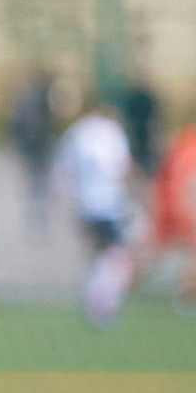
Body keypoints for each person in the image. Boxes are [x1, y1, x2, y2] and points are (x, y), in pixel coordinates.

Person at [54, 98, 136, 328]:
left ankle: (94, 300)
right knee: (114, 254)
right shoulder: (111, 132)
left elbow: (62, 173)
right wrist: (136, 191)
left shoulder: (75, 133)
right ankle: (101, 305)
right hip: (108, 204)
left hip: (83, 204)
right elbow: (122, 167)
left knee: (96, 254)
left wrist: (70, 201)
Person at [139, 122, 196, 315]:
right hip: (181, 204)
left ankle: (117, 286)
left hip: (164, 202)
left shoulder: (178, 140)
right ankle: (189, 300)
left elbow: (164, 172)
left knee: (152, 255)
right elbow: (193, 180)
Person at [7, 70, 59, 234]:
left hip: (35, 150)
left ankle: (37, 221)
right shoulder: (39, 104)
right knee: (38, 187)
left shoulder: (29, 103)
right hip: (38, 149)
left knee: (36, 187)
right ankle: (38, 221)